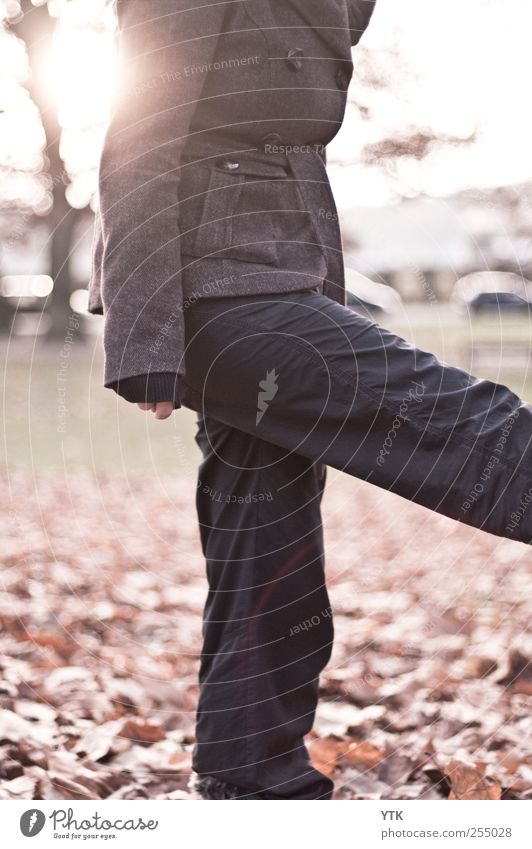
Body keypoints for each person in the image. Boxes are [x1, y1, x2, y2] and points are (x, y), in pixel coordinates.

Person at [89, 0, 532, 799]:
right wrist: (144, 341)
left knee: (267, 539)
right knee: (473, 427)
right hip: (216, 295)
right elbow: (141, 133)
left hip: (286, 271)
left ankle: (251, 777)